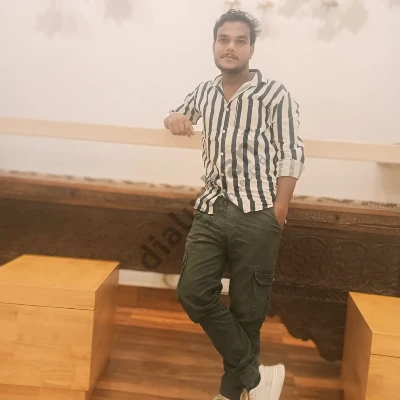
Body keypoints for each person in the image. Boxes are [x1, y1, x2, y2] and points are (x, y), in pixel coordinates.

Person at [164, 9, 305, 400]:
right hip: (211, 211)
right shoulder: (205, 91)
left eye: (240, 41)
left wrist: (279, 211)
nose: (230, 47)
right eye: (223, 39)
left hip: (258, 214)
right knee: (193, 293)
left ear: (251, 49)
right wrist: (173, 117)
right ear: (214, 45)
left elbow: (292, 152)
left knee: (248, 312)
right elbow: (178, 114)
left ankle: (231, 394)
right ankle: (257, 379)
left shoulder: (274, 95)